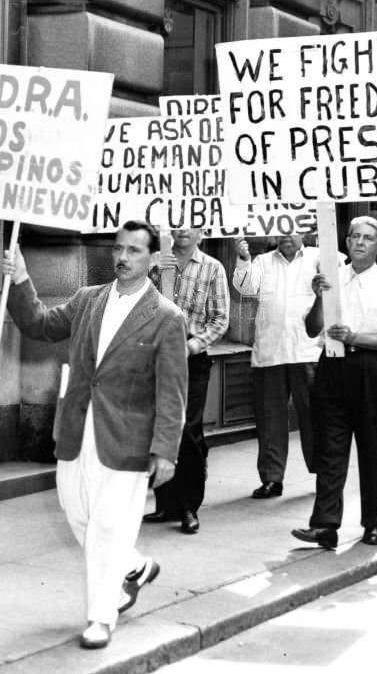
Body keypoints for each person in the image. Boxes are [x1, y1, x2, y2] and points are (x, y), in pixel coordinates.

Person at [2, 220, 188, 650]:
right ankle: (135, 565)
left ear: (153, 259)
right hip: (76, 429)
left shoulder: (166, 317)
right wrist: (21, 279)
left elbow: (172, 393)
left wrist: (166, 451)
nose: (123, 258)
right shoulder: (88, 300)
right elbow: (40, 325)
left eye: (135, 251)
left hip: (128, 438)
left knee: (107, 526)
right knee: (77, 512)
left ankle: (101, 617)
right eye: (119, 249)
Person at [291, 217, 377, 550]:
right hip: (332, 365)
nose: (358, 243)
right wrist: (317, 298)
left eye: (368, 238)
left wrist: (355, 336)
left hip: (370, 368)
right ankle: (325, 525)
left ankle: (372, 523)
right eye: (354, 236)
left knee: (371, 449)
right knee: (330, 448)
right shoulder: (332, 278)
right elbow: (313, 328)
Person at [143, 228, 229, 534]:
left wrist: (191, 346)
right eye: (176, 222)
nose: (181, 229)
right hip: (156, 355)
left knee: (189, 429)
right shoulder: (156, 264)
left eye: (189, 223)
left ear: (201, 233)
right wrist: (151, 266)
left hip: (192, 355)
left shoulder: (211, 267)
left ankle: (189, 507)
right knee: (160, 425)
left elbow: (219, 318)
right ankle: (165, 503)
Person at [233, 235, 321, 498]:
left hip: (308, 351)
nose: (286, 236)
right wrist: (243, 259)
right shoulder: (262, 261)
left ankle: (325, 473)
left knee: (316, 417)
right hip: (270, 352)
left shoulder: (321, 257)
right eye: (281, 230)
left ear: (304, 232)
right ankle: (272, 478)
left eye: (293, 230)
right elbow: (245, 288)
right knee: (270, 420)